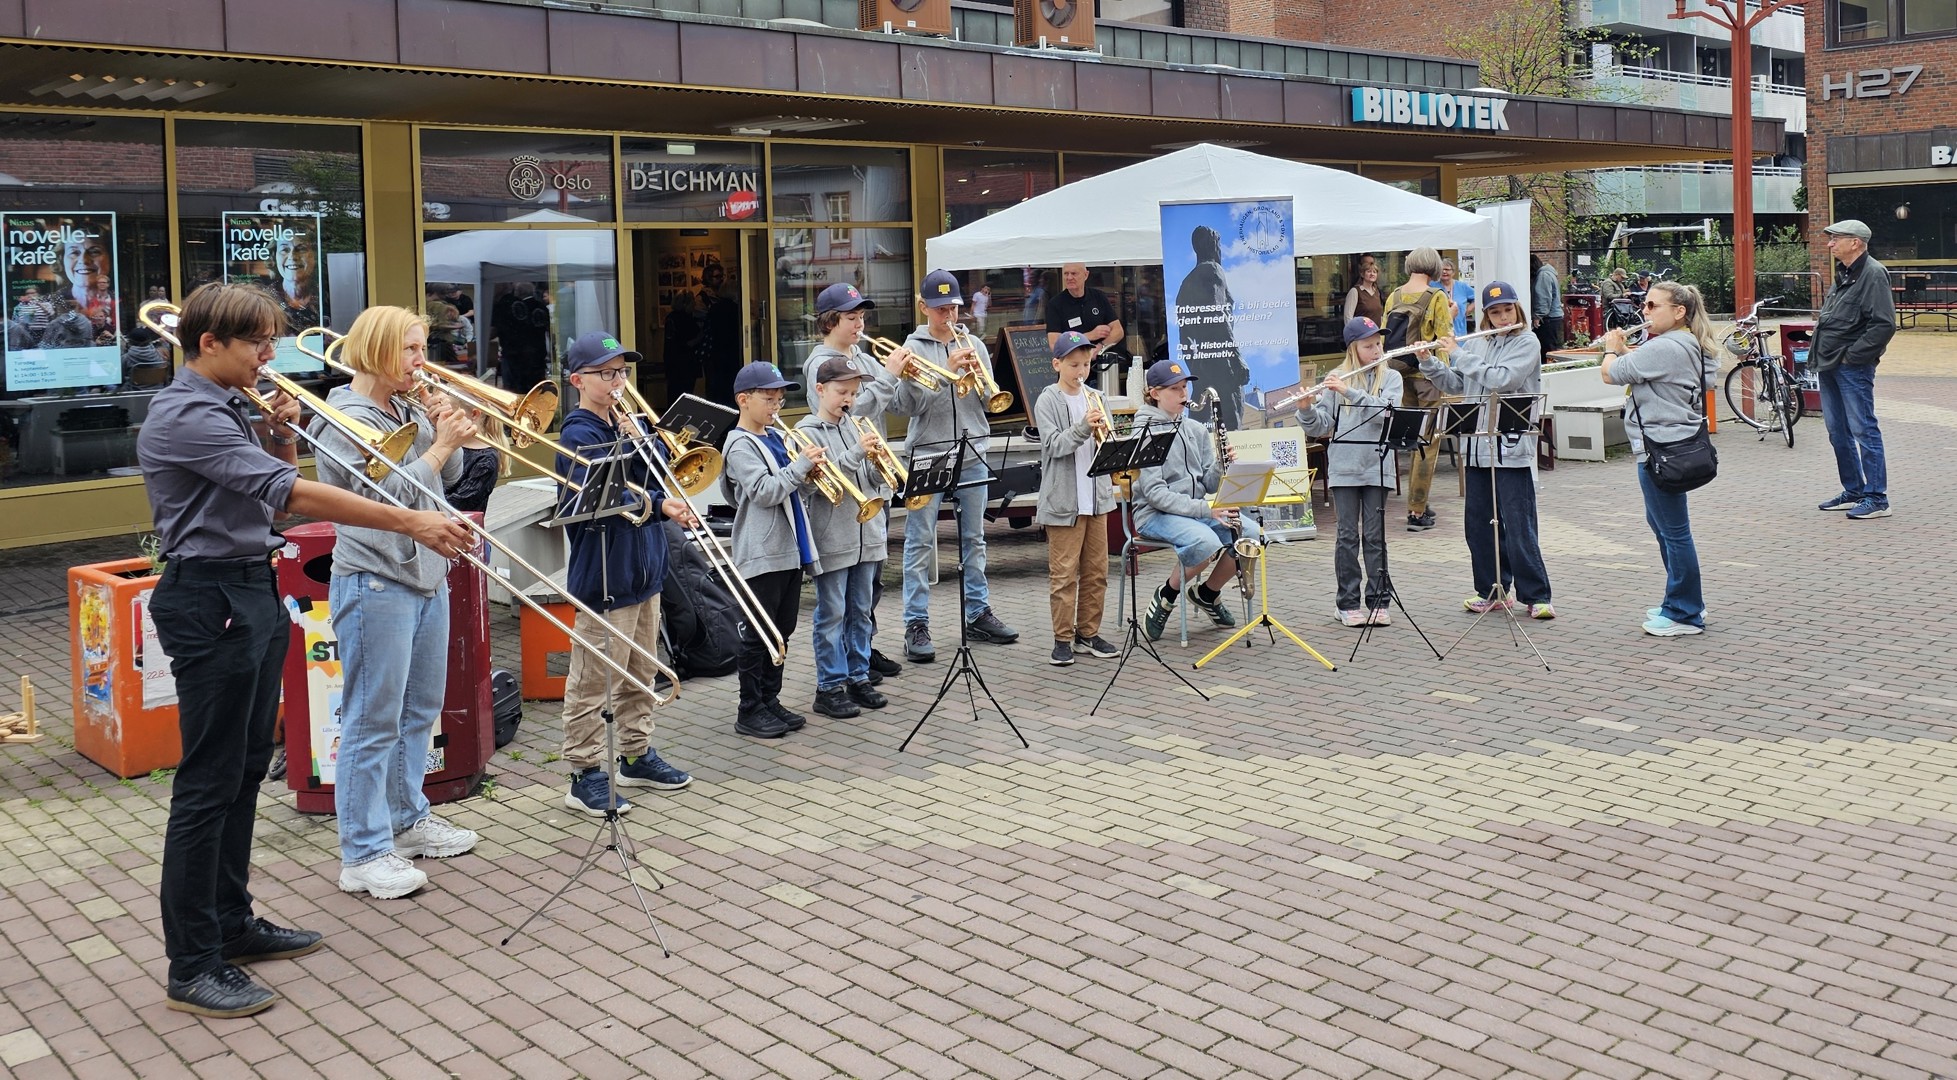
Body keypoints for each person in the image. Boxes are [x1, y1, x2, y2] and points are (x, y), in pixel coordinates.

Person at [136, 283, 471, 1018]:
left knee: (247, 770)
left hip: (249, 589)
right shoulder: (186, 411)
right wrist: (409, 520)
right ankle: (193, 961)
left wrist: (281, 432)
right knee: (207, 785)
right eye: (256, 343)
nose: (269, 356)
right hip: (209, 598)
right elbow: (289, 494)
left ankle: (232, 921)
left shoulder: (228, 406)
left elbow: (261, 487)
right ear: (208, 345)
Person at [310, 305, 483, 901]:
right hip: (376, 579)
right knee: (372, 719)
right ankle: (361, 851)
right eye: (411, 349)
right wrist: (437, 452)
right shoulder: (343, 415)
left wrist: (448, 434)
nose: (421, 361)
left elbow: (447, 480)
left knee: (420, 709)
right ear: (381, 350)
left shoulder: (406, 407)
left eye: (421, 347)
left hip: (426, 575)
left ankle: (408, 820)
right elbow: (376, 494)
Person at [555, 331, 697, 812]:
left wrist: (651, 446)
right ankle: (584, 770)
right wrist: (659, 501)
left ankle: (635, 756)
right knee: (593, 678)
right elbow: (607, 500)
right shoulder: (578, 433)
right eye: (608, 373)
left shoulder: (629, 424)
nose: (619, 381)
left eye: (623, 372)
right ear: (579, 379)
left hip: (644, 570)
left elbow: (658, 479)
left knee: (641, 671)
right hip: (605, 576)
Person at [892, 270, 1019, 661]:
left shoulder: (975, 345)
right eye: (941, 308)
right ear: (923, 308)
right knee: (918, 542)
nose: (949, 316)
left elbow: (988, 402)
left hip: (971, 449)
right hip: (928, 450)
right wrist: (946, 374)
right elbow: (903, 408)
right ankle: (916, 623)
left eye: (954, 308)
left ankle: (978, 613)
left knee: (974, 538)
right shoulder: (910, 350)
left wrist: (976, 380)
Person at [1416, 283, 1555, 619]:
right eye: (1495, 312)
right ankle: (1492, 590)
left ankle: (1536, 595)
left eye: (1507, 309)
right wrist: (1429, 362)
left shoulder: (1527, 342)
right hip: (1477, 447)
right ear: (1486, 316)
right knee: (1478, 525)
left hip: (1510, 447)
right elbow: (1460, 385)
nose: (1502, 316)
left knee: (1518, 525)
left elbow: (1502, 379)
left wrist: (1459, 354)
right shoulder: (1478, 342)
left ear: (1516, 309)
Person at [800, 282, 910, 679]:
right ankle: (843, 664)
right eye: (851, 317)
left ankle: (862, 650)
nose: (860, 324)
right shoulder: (821, 364)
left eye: (862, 316)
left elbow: (896, 401)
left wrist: (907, 375)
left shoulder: (862, 354)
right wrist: (888, 378)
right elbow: (853, 407)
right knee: (841, 597)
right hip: (845, 483)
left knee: (869, 586)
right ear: (830, 321)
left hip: (871, 477)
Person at [1599, 281, 1719, 637]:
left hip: (1660, 448)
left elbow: (1610, 374)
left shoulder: (1668, 345)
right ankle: (1683, 598)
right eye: (1645, 306)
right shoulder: (1684, 343)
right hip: (1668, 443)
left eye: (1653, 306)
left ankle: (1685, 612)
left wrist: (1611, 348)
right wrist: (1627, 352)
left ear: (1679, 311)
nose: (1645, 313)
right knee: (1664, 528)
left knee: (1675, 532)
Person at [723, 361, 822, 738]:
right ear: (743, 400)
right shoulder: (738, 444)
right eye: (769, 399)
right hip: (762, 550)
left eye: (780, 399)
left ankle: (769, 699)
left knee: (783, 628)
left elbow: (794, 488)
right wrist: (800, 468)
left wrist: (812, 475)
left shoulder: (775, 438)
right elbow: (765, 492)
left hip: (790, 545)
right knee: (759, 633)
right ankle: (749, 709)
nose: (776, 406)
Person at [1132, 359, 1255, 640]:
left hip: (1196, 511)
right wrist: (1207, 509)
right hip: (1155, 514)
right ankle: (1166, 595)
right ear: (1155, 393)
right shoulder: (1144, 432)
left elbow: (1209, 484)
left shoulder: (1195, 430)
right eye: (1174, 389)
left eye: (1185, 387)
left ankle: (1208, 593)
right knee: (1205, 542)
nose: (1183, 395)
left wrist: (1222, 466)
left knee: (1249, 533)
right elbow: (1155, 494)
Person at [796, 357, 892, 718]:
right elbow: (824, 482)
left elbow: (867, 476)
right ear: (820, 390)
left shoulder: (855, 426)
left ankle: (859, 675)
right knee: (832, 613)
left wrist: (880, 466)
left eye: (853, 393)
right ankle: (829, 686)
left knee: (861, 612)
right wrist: (857, 453)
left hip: (867, 532)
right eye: (841, 392)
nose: (848, 399)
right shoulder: (807, 432)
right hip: (833, 536)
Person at [1300, 318, 1404, 627]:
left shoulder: (1392, 377)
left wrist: (1351, 392)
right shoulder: (1336, 378)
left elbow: (1386, 414)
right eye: (1368, 345)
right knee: (1346, 536)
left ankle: (1379, 601)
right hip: (1345, 467)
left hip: (1377, 466)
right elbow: (1323, 426)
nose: (1376, 350)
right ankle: (1346, 603)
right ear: (1353, 348)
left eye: (1378, 344)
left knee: (1374, 536)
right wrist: (1306, 409)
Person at [1035, 331, 1119, 664]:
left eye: (1085, 364)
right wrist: (1085, 426)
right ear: (1057, 364)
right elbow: (1054, 446)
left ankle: (1088, 632)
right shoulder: (1048, 400)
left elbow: (1109, 442)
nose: (1080, 371)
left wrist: (1107, 437)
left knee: (1097, 571)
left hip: (1096, 497)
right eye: (1073, 365)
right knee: (1064, 574)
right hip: (1064, 500)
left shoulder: (1096, 396)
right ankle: (1062, 638)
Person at [1812, 218, 1896, 520]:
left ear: (1855, 243)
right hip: (1829, 362)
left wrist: (1853, 356)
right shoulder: (1845, 273)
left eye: (1836, 239)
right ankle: (1854, 490)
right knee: (1837, 431)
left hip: (1850, 367)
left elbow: (1884, 324)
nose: (1831, 244)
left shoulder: (1872, 273)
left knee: (1863, 429)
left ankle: (1877, 497)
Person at [1379, 247, 1455, 532]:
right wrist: (1445, 377)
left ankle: (1414, 501)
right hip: (1428, 378)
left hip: (1399, 376)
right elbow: (1444, 341)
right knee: (1427, 444)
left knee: (1408, 440)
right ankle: (1416, 509)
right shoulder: (1436, 297)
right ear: (1434, 268)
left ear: (1410, 265)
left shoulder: (1394, 296)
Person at [1173, 226, 1249, 431]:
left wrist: (1195, 368)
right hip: (1223, 362)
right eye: (1218, 244)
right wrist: (1236, 357)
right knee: (1232, 425)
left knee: (1200, 426)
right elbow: (1218, 314)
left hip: (1201, 365)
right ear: (1212, 245)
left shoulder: (1184, 284)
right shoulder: (1213, 269)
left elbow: (1184, 335)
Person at [1045, 262, 1124, 354]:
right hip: (1074, 361)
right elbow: (1054, 344)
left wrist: (1100, 347)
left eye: (1074, 273)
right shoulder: (1055, 304)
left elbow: (1118, 331)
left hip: (1101, 361)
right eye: (1066, 274)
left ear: (1086, 275)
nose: (1069, 278)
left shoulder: (1098, 296)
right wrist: (1089, 336)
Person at [57, 225, 116, 343]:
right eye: (74, 252)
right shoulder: (54, 301)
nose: (84, 260)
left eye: (94, 252)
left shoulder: (117, 300)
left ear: (110, 257)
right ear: (62, 259)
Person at [697, 259, 743, 405]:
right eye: (716, 277)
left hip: (716, 353)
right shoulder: (704, 299)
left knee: (716, 388)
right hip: (726, 353)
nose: (720, 279)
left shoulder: (717, 307)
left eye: (721, 276)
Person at [442, 406, 501, 514]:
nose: (442, 416)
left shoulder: (487, 459)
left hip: (458, 526)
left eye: (449, 413)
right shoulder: (444, 442)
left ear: (474, 414)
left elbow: (459, 503)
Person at [269, 225, 320, 337]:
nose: (292, 256)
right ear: (274, 257)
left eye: (301, 249)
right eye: (285, 250)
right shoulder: (264, 301)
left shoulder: (327, 297)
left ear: (315, 256)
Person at [661, 290, 701, 410]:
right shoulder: (685, 320)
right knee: (685, 394)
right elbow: (687, 343)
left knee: (673, 393)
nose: (695, 305)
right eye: (692, 303)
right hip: (685, 363)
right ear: (685, 304)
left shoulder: (670, 318)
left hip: (672, 362)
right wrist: (701, 336)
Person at [1531, 254, 1564, 359]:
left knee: (1546, 350)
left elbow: (1543, 298)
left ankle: (1549, 371)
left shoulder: (1543, 276)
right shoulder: (1549, 274)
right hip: (1554, 317)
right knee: (1552, 349)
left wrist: (1537, 316)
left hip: (1548, 319)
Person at [1341, 255, 1383, 325]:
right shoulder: (1355, 291)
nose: (1372, 274)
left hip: (1376, 334)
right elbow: (1348, 317)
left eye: (1374, 272)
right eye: (1369, 271)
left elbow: (1379, 316)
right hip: (1361, 334)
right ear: (1362, 274)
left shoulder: (1377, 292)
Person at [1441, 259, 1475, 337]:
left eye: (1447, 269)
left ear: (1453, 272)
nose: (1444, 272)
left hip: (1460, 330)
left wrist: (1468, 309)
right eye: (1441, 269)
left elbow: (1478, 297)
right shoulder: (1433, 286)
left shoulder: (1462, 286)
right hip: (1441, 331)